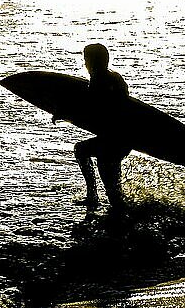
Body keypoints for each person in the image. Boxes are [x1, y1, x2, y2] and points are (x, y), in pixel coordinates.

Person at [55, 43, 131, 210]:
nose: (85, 64)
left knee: (112, 189)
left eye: (86, 60)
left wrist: (64, 114)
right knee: (112, 185)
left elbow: (90, 107)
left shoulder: (99, 80)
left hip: (113, 140)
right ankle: (96, 199)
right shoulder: (115, 77)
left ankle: (100, 201)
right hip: (123, 138)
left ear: (92, 61)